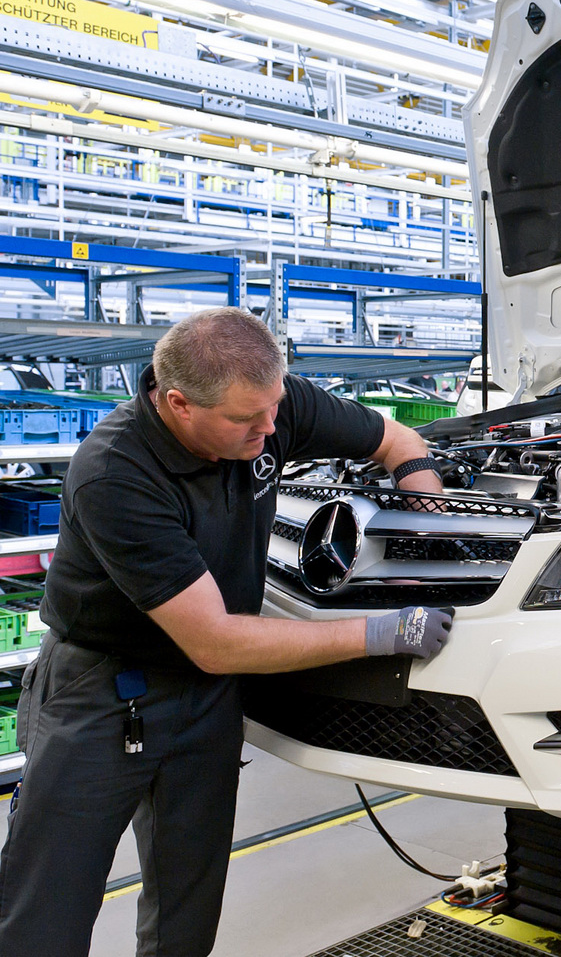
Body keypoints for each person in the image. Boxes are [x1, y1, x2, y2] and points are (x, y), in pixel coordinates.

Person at [0, 307, 456, 956]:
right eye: (247, 420)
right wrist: (383, 632)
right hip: (100, 697)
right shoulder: (116, 474)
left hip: (203, 702)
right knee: (45, 909)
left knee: (189, 911)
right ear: (179, 403)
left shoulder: (271, 403)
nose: (270, 430)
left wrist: (425, 513)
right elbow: (215, 641)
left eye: (274, 408)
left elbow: (397, 441)